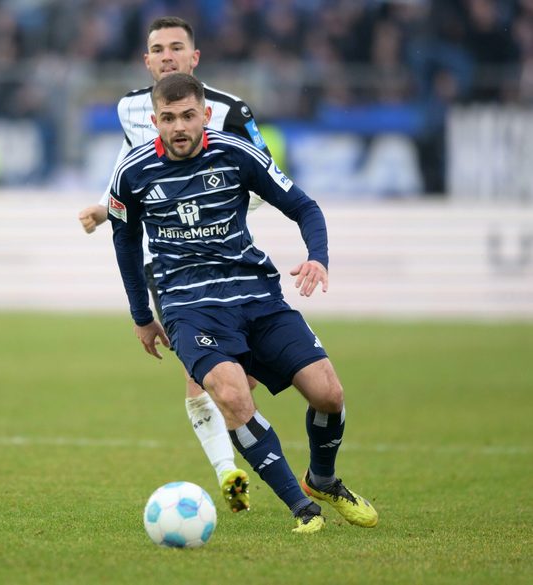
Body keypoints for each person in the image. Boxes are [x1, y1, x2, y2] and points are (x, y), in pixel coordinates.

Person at [108, 72, 379, 533]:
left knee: (329, 394)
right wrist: (142, 315)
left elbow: (304, 207)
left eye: (188, 116)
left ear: (205, 115)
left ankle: (323, 480)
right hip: (189, 308)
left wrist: (318, 257)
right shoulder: (132, 174)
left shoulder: (236, 154)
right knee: (232, 396)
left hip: (258, 297)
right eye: (168, 118)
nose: (179, 127)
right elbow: (125, 246)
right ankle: (301, 508)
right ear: (155, 120)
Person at [77, 16, 266, 512]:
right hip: (167, 265)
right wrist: (104, 207)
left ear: (194, 58)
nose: (166, 56)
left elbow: (266, 181)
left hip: (227, 259)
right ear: (146, 60)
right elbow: (129, 166)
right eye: (157, 49)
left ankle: (247, 460)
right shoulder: (128, 108)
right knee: (201, 372)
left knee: (238, 379)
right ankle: (228, 472)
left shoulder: (230, 111)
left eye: (176, 47)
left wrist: (210, 210)